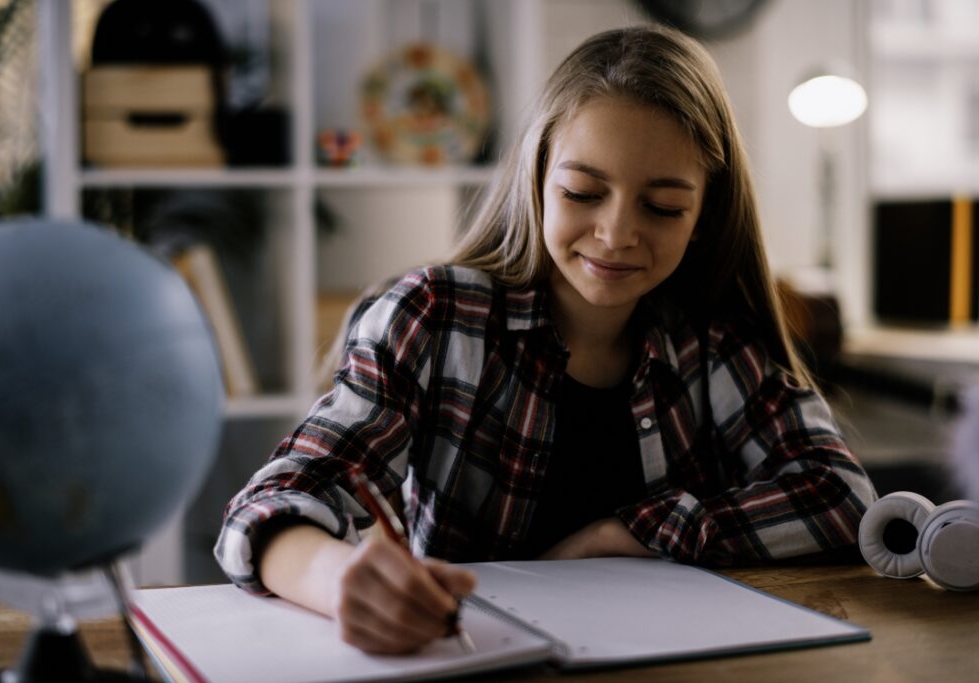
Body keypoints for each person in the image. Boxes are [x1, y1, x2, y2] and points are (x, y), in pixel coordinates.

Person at [214, 25, 877, 655]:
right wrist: (338, 578)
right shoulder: (434, 317)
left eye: (663, 207)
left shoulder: (711, 345)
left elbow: (844, 497)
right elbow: (269, 507)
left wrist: (626, 535)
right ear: (537, 179)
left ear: (703, 215)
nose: (616, 233)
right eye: (584, 191)